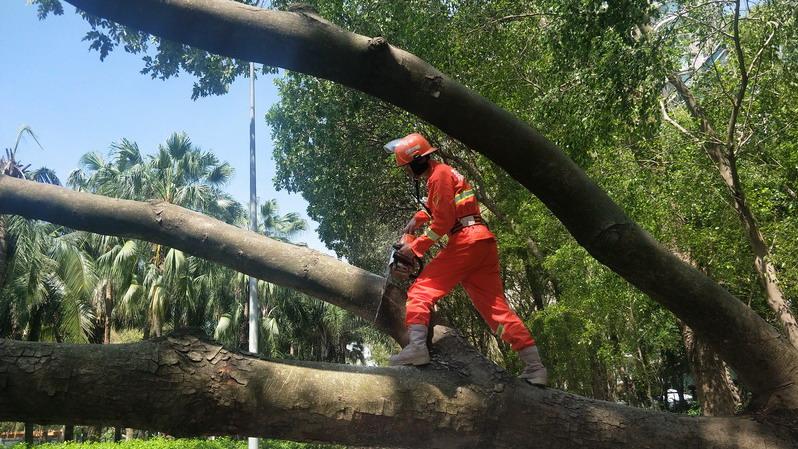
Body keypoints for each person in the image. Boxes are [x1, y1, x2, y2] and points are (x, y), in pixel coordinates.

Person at [383, 132, 548, 386]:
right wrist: (417, 219)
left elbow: (445, 220)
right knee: (495, 311)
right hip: (482, 242)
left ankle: (416, 347)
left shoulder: (438, 176)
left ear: (417, 162)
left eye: (407, 167)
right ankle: (535, 367)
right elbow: (447, 209)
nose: (408, 173)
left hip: (467, 240)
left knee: (420, 291)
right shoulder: (444, 174)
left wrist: (414, 248)